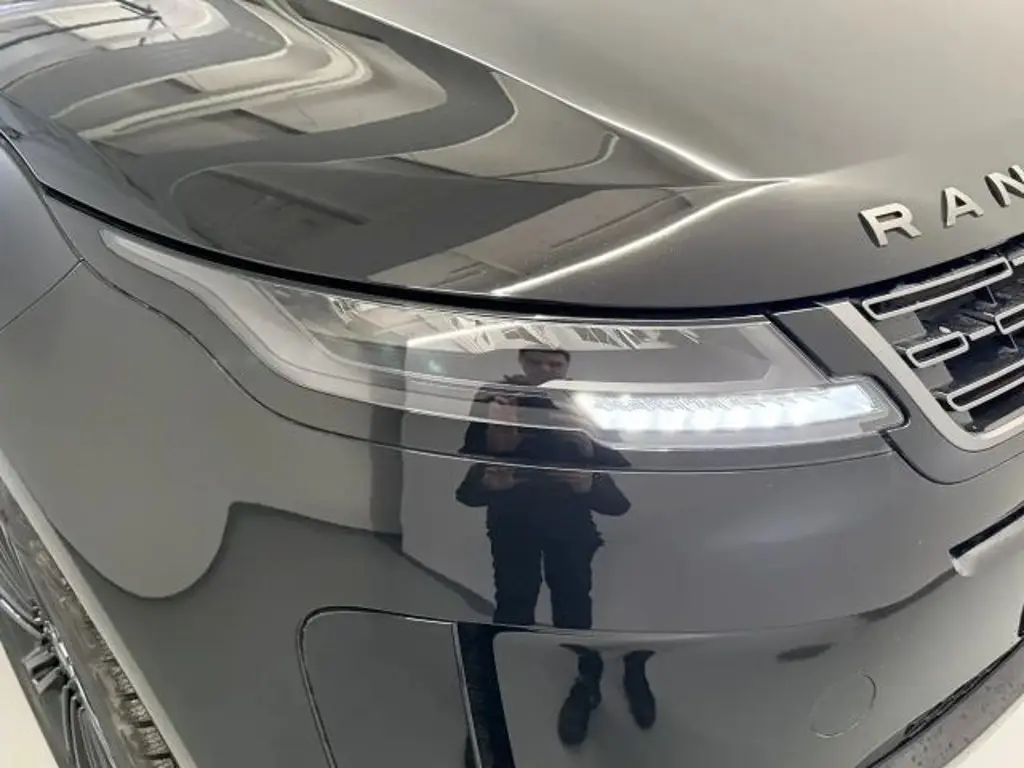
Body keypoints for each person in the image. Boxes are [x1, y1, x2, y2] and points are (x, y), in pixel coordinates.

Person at [456, 348, 655, 748]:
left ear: (568, 366)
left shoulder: (585, 402)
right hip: (513, 529)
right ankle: (505, 695)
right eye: (537, 362)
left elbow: (618, 488)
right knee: (513, 608)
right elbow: (468, 481)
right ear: (521, 361)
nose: (546, 371)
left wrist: (586, 468)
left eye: (555, 364)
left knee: (574, 612)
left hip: (569, 531)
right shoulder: (500, 398)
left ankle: (583, 687)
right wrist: (492, 467)